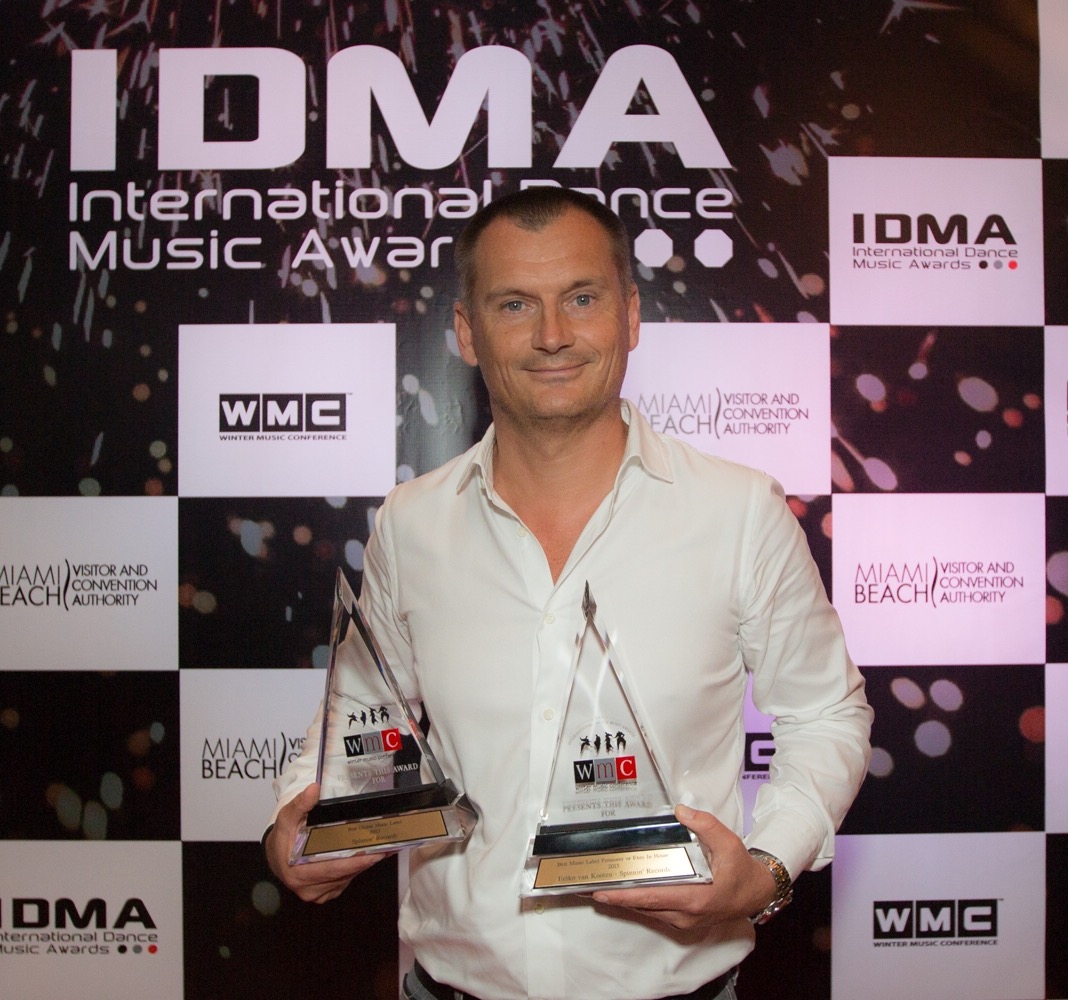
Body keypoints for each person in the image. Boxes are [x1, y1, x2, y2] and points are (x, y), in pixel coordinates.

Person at [265, 187, 872, 1000]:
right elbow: (364, 720)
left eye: (581, 298)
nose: (552, 334)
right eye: (515, 304)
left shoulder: (739, 512)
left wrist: (766, 870)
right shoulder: (412, 523)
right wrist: (297, 820)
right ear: (466, 331)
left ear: (630, 315)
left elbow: (826, 713)